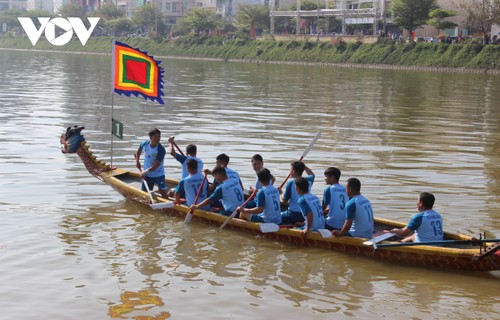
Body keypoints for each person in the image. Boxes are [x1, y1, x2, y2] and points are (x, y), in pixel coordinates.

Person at [135, 128, 168, 198]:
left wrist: (146, 171)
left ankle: (167, 207)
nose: (158, 139)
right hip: (148, 175)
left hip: (159, 174)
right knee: (144, 193)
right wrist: (137, 161)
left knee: (163, 192)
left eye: (159, 136)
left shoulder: (161, 149)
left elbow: (157, 164)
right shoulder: (144, 144)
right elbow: (138, 151)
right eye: (156, 137)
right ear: (150, 137)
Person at [280, 161, 315, 225]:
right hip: (305, 214)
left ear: (293, 171)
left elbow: (284, 200)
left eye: (290, 169)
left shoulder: (291, 183)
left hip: (293, 214)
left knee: (275, 216)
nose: (289, 171)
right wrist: (303, 166)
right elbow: (312, 174)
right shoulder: (308, 180)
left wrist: (281, 193)